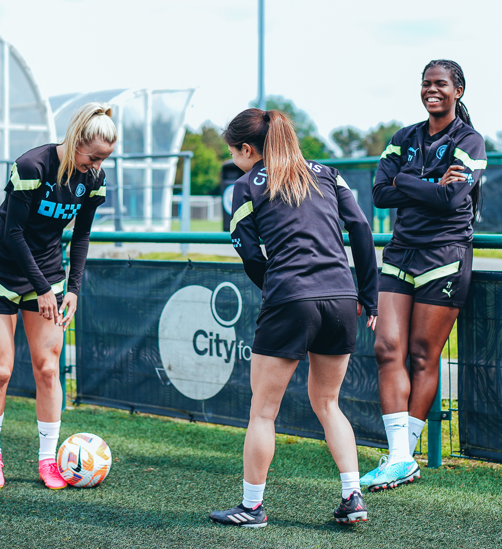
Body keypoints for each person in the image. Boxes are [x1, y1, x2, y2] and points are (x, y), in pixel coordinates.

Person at [209, 108, 379, 527]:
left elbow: (249, 252)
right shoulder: (329, 173)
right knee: (329, 403)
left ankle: (251, 508)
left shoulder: (245, 185)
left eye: (234, 152)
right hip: (342, 298)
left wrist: (278, 289)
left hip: (290, 299)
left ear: (247, 149)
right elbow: (361, 229)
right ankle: (353, 496)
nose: (235, 161)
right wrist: (368, 296)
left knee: (263, 412)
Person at [0, 102, 116, 490]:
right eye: (93, 157)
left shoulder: (93, 179)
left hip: (48, 277)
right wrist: (41, 289)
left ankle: (48, 462)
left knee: (48, 369)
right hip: (0, 272)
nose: (97, 165)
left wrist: (72, 289)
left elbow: (82, 236)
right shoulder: (32, 166)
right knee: (0, 371)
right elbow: (12, 234)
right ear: (75, 142)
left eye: (105, 159)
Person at [361, 59, 487, 491]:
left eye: (440, 84)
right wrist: (428, 182)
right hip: (400, 252)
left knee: (420, 354)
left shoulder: (469, 139)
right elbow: (379, 194)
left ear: (458, 91)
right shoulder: (404, 137)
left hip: (445, 256)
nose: (431, 90)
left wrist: (408, 180)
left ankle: (402, 457)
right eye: (425, 83)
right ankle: (400, 458)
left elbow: (453, 200)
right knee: (385, 347)